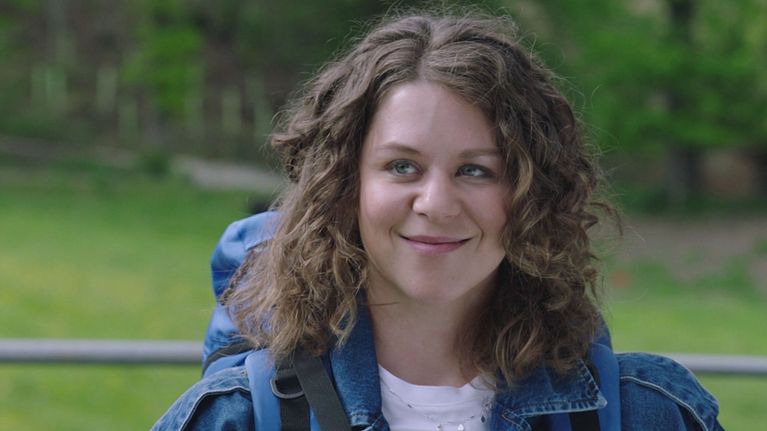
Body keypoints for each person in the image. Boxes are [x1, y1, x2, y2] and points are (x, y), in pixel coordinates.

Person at [153, 11, 723, 431]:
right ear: (344, 186)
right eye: (402, 166)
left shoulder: (650, 413)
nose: (437, 203)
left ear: (532, 194)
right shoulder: (238, 419)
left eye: (476, 171)